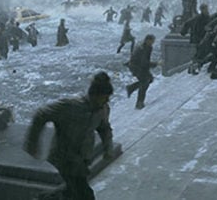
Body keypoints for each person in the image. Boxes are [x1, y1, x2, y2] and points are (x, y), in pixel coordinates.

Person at [24, 72, 115, 200]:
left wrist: (108, 148)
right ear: (94, 95)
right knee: (85, 195)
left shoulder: (103, 109)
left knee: (71, 191)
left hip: (82, 159)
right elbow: (41, 114)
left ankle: (43, 198)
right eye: (105, 97)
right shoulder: (70, 106)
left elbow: (104, 128)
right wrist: (32, 144)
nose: (107, 100)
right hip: (64, 158)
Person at [125, 34, 158, 109]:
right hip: (136, 67)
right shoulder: (142, 48)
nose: (153, 43)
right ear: (147, 40)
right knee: (144, 83)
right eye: (152, 41)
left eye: (153, 41)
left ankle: (131, 87)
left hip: (142, 67)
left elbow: (146, 60)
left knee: (150, 79)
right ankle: (139, 103)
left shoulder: (149, 47)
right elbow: (144, 62)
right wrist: (156, 64)